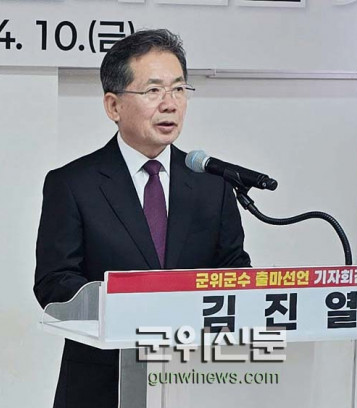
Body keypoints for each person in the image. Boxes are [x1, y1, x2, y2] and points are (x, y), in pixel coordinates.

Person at [34, 28, 251, 408]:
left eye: (179, 89)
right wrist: (128, 307)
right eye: (153, 91)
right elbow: (54, 283)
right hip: (102, 385)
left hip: (193, 381)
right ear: (113, 106)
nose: (170, 104)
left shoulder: (212, 184)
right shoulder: (73, 184)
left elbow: (234, 270)